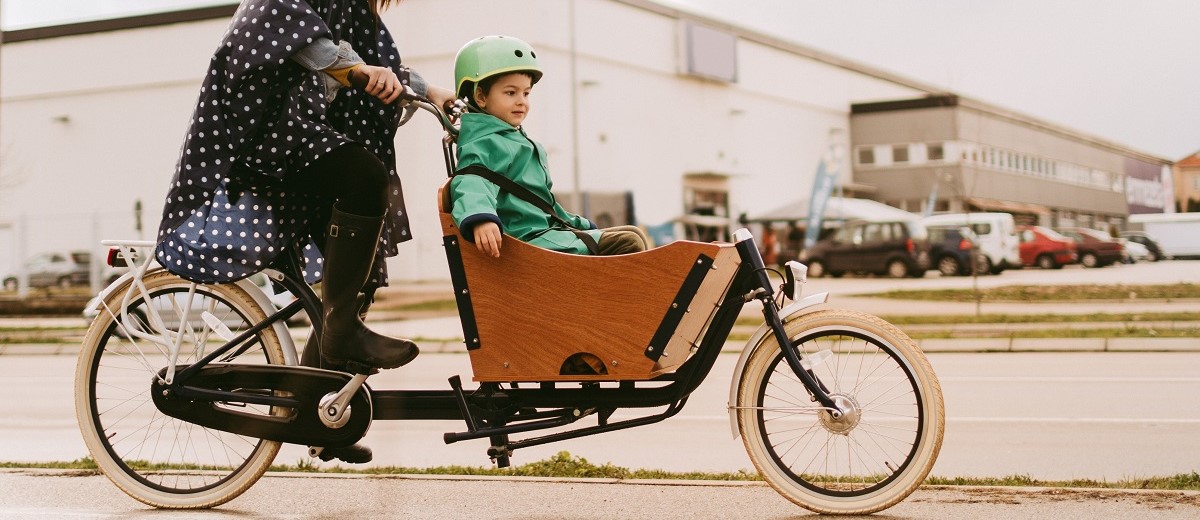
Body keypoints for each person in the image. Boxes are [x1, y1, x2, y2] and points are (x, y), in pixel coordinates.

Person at [153, 0, 454, 463]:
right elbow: (307, 45)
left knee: (354, 272)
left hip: (301, 134)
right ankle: (341, 335)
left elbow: (381, 67)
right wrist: (355, 71)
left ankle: (317, 416)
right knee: (363, 177)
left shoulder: (352, 9)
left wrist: (434, 92)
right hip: (267, 133)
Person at [448, 35, 647, 258]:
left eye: (526, 93)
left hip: (544, 232)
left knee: (632, 232)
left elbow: (541, 203)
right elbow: (472, 179)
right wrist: (482, 217)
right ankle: (619, 294)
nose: (521, 101)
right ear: (481, 96)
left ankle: (619, 293)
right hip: (527, 240)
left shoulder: (513, 140)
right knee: (628, 242)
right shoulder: (486, 143)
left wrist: (576, 223)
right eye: (510, 92)